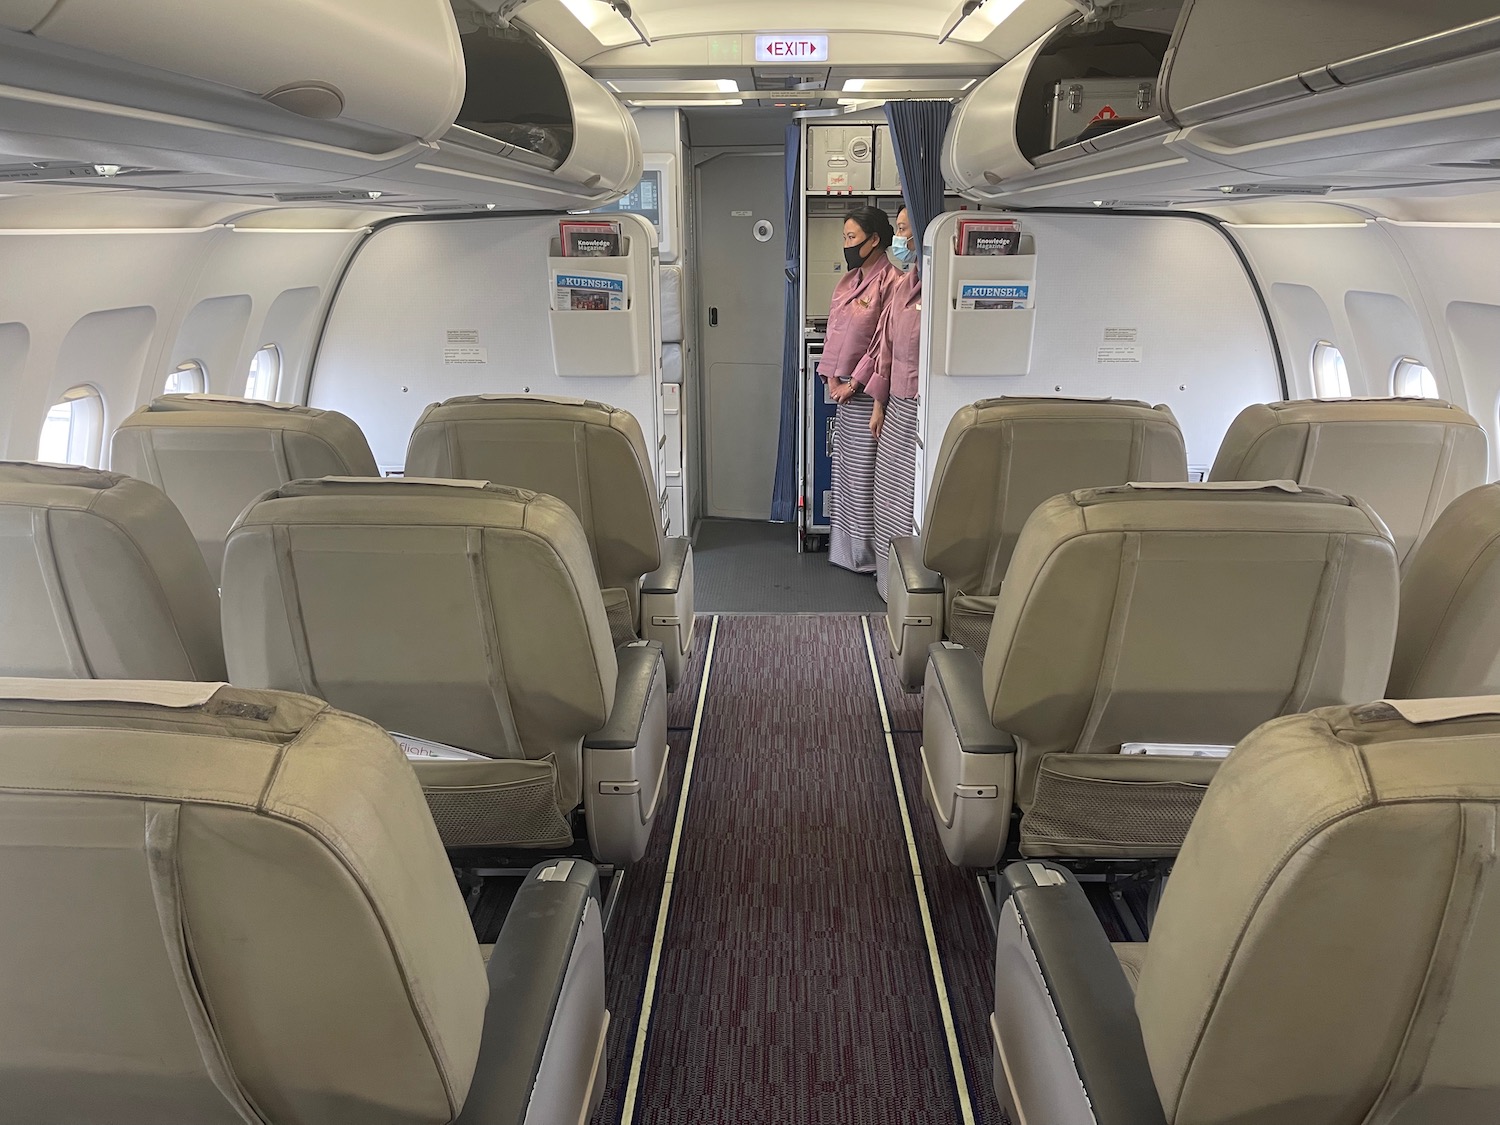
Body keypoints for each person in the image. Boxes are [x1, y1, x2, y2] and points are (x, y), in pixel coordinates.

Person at [821, 205, 900, 574]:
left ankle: (868, 556)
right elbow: (836, 333)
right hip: (844, 391)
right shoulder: (849, 280)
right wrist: (832, 379)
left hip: (869, 392)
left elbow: (883, 341)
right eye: (845, 238)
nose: (847, 245)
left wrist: (855, 382)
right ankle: (846, 551)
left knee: (868, 475)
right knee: (847, 472)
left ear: (874, 240)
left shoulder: (891, 279)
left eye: (852, 238)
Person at [851, 206, 922, 601]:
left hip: (923, 410)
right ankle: (886, 580)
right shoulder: (904, 284)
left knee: (912, 498)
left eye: (906, 231)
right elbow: (887, 350)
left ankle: (908, 588)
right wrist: (878, 403)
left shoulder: (936, 286)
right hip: (896, 406)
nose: (901, 238)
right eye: (898, 229)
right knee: (889, 495)